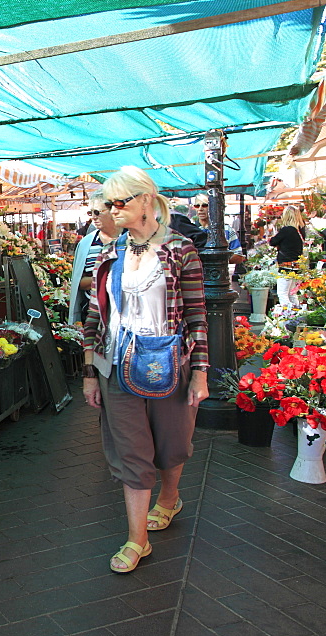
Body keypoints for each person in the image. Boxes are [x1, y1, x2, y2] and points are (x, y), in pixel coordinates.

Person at [82, 166, 209, 574]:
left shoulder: (179, 249)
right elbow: (93, 315)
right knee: (130, 452)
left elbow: (197, 314)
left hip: (170, 361)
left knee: (173, 443)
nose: (113, 210)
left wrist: (202, 372)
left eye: (122, 202)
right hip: (117, 364)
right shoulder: (109, 253)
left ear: (147, 201)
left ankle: (170, 498)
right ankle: (138, 538)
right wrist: (89, 371)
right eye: (109, 204)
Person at [68, 196, 117, 325]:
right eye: (91, 213)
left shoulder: (128, 240)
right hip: (92, 314)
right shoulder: (87, 243)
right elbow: (80, 282)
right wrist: (110, 277)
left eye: (97, 212)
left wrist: (97, 279)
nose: (93, 217)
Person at [269, 205, 306, 306]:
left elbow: (272, 241)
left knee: (282, 293)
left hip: (286, 264)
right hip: (296, 264)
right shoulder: (299, 230)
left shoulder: (286, 230)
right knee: (292, 293)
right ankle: (296, 314)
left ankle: (287, 315)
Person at [193, 194, 245, 264]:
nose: (200, 209)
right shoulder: (191, 229)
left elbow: (239, 256)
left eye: (205, 205)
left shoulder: (227, 230)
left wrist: (218, 260)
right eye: (197, 206)